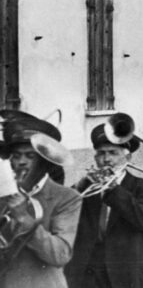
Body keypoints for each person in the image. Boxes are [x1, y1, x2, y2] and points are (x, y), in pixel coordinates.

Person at [66, 117, 143, 288]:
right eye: (101, 153)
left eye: (113, 153)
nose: (106, 159)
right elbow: (65, 211)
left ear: (127, 157)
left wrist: (114, 190)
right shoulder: (86, 187)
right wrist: (81, 185)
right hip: (89, 274)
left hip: (125, 273)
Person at [0, 111, 82, 288]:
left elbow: (60, 255)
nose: (21, 162)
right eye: (16, 155)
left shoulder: (67, 198)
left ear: (45, 162)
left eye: (30, 156)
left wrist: (25, 220)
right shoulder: (2, 193)